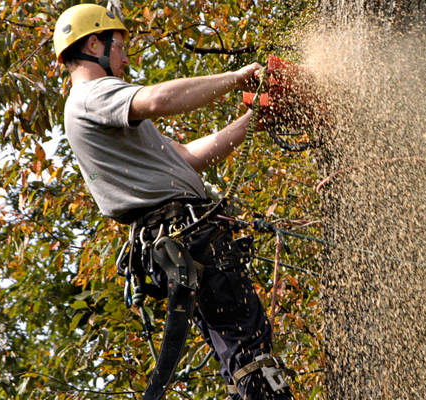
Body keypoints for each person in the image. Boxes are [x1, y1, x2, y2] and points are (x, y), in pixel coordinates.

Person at [52, 4, 292, 400]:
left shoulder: (107, 112)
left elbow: (190, 157)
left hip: (186, 240)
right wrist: (236, 78)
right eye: (120, 47)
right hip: (185, 235)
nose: (126, 58)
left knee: (244, 353)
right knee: (250, 355)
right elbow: (159, 99)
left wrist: (256, 117)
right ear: (94, 43)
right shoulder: (92, 95)